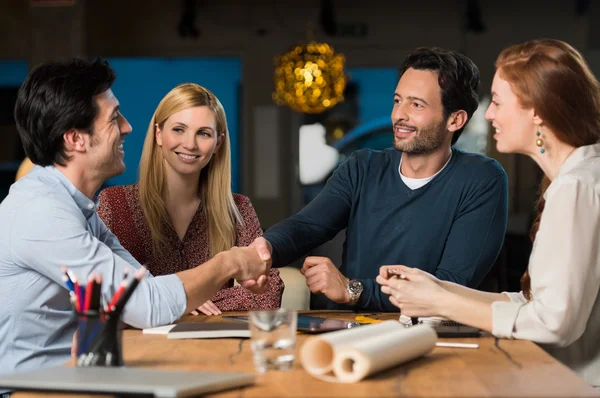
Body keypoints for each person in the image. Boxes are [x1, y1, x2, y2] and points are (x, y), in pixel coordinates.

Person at [0, 58, 269, 375]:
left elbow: (141, 289)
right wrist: (231, 262)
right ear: (75, 139)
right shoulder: (42, 212)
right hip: (30, 390)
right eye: (114, 118)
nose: (127, 126)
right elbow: (149, 305)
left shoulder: (77, 208)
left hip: (80, 376)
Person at [377, 39, 600, 386]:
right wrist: (440, 289)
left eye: (497, 101)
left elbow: (554, 324)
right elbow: (537, 303)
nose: (489, 113)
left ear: (537, 111)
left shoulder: (576, 188)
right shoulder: (580, 177)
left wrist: (442, 303)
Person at [253, 47, 509, 311]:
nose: (399, 115)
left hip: (426, 334)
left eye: (417, 104)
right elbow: (307, 226)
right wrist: (263, 251)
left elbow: (452, 285)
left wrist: (353, 290)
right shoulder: (363, 167)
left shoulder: (482, 180)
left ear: (455, 120)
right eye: (398, 100)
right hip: (347, 332)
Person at [97, 83, 284, 315]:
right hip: (138, 345)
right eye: (178, 129)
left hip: (214, 346)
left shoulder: (238, 209)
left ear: (218, 143)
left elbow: (269, 290)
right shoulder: (113, 204)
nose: (190, 144)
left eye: (203, 133)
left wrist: (185, 298)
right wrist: (186, 297)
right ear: (158, 134)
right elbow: (101, 289)